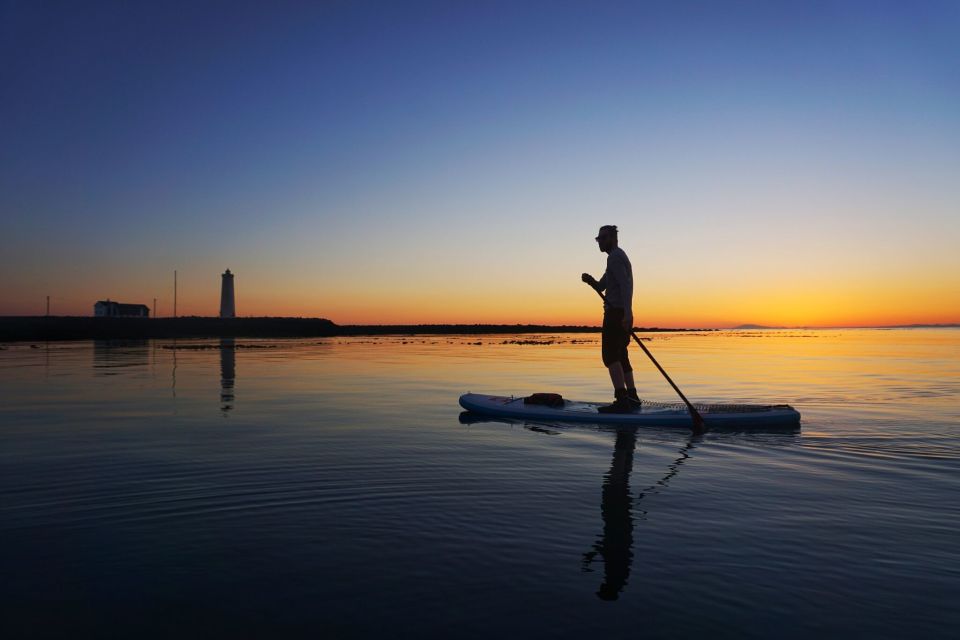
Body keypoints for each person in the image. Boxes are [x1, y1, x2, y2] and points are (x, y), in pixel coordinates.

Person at [581, 225, 640, 413]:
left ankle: (622, 401)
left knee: (610, 356)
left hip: (616, 314)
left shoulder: (615, 257)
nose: (599, 242)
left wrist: (627, 314)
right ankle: (632, 397)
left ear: (613, 239)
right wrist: (592, 282)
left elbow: (626, 286)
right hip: (619, 312)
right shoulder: (614, 258)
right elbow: (602, 285)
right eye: (598, 239)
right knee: (621, 355)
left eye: (603, 238)